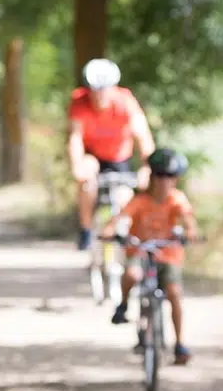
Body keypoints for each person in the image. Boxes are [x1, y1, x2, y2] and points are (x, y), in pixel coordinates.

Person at [103, 147, 199, 364]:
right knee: (132, 274)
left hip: (168, 254)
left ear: (176, 179)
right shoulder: (141, 200)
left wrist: (191, 232)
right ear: (152, 176)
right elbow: (120, 217)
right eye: (160, 175)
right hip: (141, 250)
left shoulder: (177, 200)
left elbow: (188, 219)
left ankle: (180, 343)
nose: (164, 181)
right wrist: (110, 230)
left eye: (170, 176)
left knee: (174, 293)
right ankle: (123, 305)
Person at [67, 57, 157, 251]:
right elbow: (75, 137)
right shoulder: (80, 102)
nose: (99, 95)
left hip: (119, 158)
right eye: (94, 90)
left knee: (124, 197)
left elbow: (143, 137)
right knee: (87, 183)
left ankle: (125, 241)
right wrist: (77, 165)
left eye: (104, 89)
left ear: (113, 87)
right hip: (93, 155)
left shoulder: (125, 102)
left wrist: (147, 167)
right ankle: (86, 230)